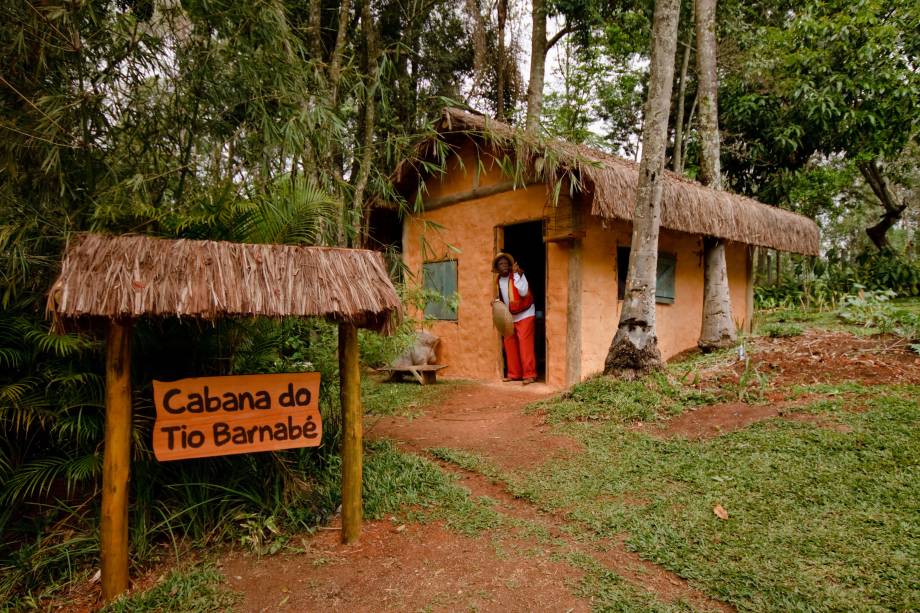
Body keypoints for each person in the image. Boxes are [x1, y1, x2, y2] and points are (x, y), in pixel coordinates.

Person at [492, 252, 537, 384]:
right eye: (501, 263)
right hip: (509, 317)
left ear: (511, 265)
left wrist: (517, 275)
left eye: (506, 263)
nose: (504, 265)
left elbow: (523, 292)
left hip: (525, 313)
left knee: (525, 344)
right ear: (497, 267)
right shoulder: (497, 280)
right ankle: (514, 374)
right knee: (509, 344)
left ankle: (530, 375)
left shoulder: (518, 275)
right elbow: (499, 297)